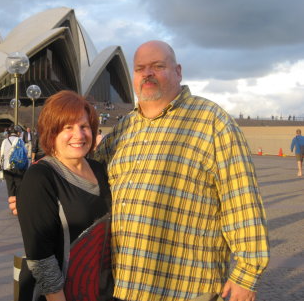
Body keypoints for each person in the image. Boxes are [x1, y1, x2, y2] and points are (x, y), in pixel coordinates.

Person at [94, 40, 269, 301]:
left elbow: (241, 200)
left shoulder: (212, 122)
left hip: (185, 288)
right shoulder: (125, 128)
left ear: (178, 71)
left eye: (158, 66)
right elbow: (87, 177)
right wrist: (39, 192)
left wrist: (246, 274)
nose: (148, 74)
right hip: (124, 284)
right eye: (141, 68)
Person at [16, 90, 112, 300]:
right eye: (68, 127)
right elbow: (41, 257)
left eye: (84, 126)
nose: (79, 135)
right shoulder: (41, 177)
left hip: (98, 289)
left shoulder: (100, 170)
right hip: (59, 294)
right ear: (52, 133)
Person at [0, 126, 26, 197]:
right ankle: (18, 204)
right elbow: (25, 153)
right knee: (19, 186)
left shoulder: (4, 141)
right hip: (17, 167)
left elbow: (2, 155)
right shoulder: (20, 141)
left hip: (7, 167)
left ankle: (12, 204)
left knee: (10, 187)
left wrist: (1, 167)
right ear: (17, 133)